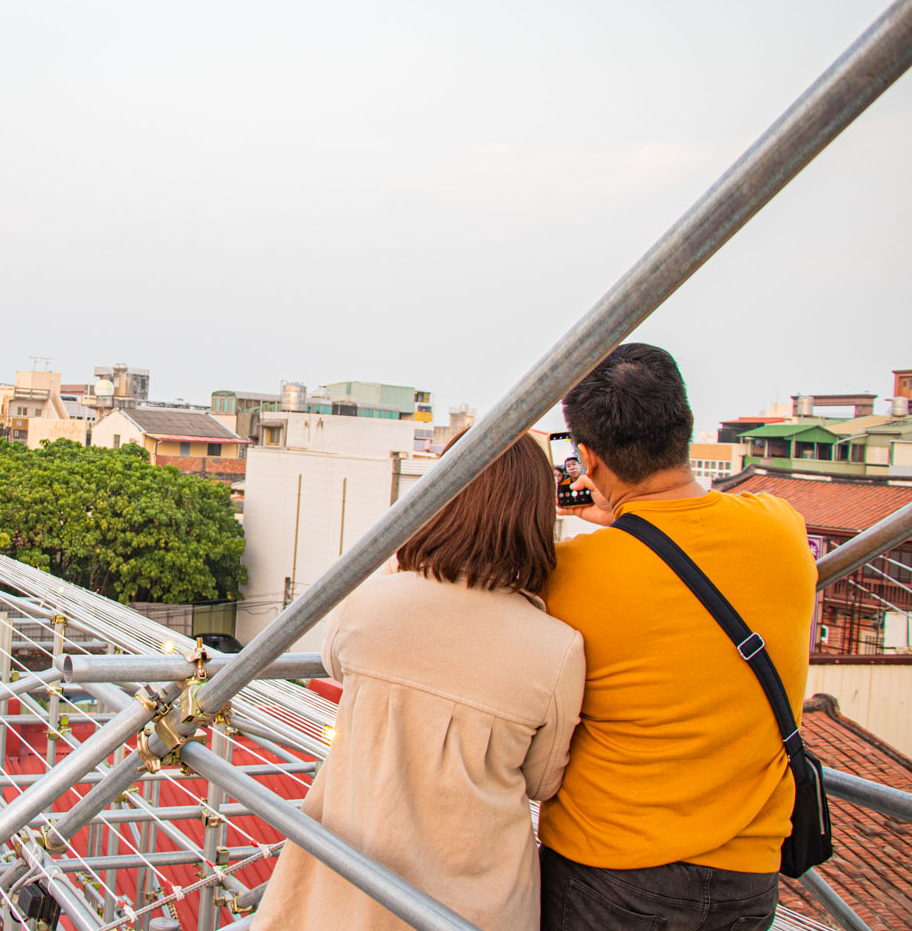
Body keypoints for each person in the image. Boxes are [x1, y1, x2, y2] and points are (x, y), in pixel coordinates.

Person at [253, 430, 585, 931]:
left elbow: (335, 661)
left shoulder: (371, 604)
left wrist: (406, 560)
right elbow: (541, 780)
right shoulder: (557, 649)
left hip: (352, 886)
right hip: (477, 906)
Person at [538, 343, 816, 930]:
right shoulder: (782, 532)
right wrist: (626, 514)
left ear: (586, 458)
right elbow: (690, 527)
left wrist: (619, 519)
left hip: (611, 869)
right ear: (684, 428)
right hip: (750, 872)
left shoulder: (570, 574)